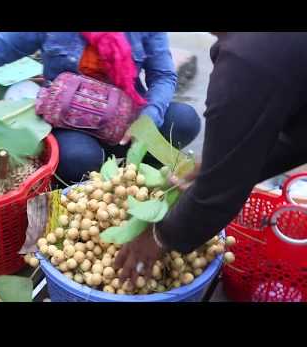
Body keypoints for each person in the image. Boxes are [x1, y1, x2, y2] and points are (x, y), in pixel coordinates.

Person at [115, 32, 307, 283]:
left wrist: (159, 236)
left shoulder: (247, 59)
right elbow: (297, 138)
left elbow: (217, 193)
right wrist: (216, 166)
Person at [0, 32, 201, 184]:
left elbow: (163, 75)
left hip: (127, 118)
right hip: (71, 121)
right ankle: (102, 169)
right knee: (78, 159)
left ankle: (135, 174)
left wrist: (149, 118)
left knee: (185, 120)